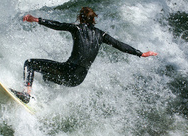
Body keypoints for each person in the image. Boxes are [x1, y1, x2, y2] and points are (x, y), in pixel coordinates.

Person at [13, 7, 157, 103]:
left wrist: (36, 19)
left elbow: (57, 24)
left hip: (67, 71)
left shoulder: (76, 28)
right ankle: (43, 101)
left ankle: (26, 93)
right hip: (77, 79)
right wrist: (140, 53)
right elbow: (119, 44)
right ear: (93, 20)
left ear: (80, 18)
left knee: (30, 63)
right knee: (46, 76)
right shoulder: (101, 35)